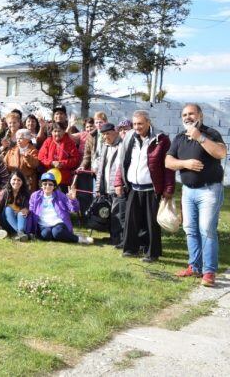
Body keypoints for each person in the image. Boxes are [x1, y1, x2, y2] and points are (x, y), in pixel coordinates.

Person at [166, 103, 227, 287]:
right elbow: (168, 161)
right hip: (187, 191)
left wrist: (199, 137)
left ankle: (209, 272)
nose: (187, 117)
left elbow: (221, 152)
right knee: (190, 229)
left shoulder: (211, 133)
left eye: (191, 113)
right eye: (184, 114)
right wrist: (185, 164)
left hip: (209, 190)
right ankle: (194, 266)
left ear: (200, 115)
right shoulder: (179, 137)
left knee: (207, 230)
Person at [114, 110, 174, 263]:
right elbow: (123, 163)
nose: (137, 127)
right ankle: (131, 249)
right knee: (131, 221)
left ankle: (151, 253)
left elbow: (168, 166)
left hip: (151, 188)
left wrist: (168, 188)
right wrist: (118, 182)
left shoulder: (161, 139)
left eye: (140, 123)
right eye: (134, 124)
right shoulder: (129, 138)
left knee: (151, 223)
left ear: (148, 122)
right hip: (133, 187)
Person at [25, 172, 93, 244]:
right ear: (41, 185)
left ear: (54, 186)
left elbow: (74, 209)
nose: (47, 186)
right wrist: (28, 231)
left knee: (57, 232)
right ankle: (64, 236)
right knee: (45, 235)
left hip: (58, 223)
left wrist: (72, 200)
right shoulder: (35, 196)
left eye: (50, 184)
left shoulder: (60, 195)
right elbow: (31, 213)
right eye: (45, 184)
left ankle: (79, 239)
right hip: (43, 225)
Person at [94, 122, 125, 247]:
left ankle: (120, 239)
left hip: (117, 185)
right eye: (103, 134)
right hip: (105, 185)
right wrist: (98, 187)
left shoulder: (122, 145)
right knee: (109, 213)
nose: (106, 136)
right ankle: (113, 237)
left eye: (108, 133)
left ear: (115, 132)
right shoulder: (104, 146)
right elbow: (101, 168)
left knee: (118, 213)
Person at [38, 122, 80, 191]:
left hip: (64, 179)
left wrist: (62, 163)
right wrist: (51, 163)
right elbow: (41, 157)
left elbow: (76, 159)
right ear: (51, 132)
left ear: (64, 131)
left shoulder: (69, 142)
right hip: (48, 178)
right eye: (55, 131)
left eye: (59, 131)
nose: (57, 133)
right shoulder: (48, 141)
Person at [0, 171, 31, 241]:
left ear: (22, 182)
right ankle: (21, 233)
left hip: (19, 221)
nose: (16, 182)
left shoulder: (25, 194)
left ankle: (20, 233)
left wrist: (27, 210)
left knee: (21, 213)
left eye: (19, 180)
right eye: (14, 179)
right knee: (8, 209)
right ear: (10, 180)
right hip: (6, 221)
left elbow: (28, 208)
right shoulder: (5, 192)